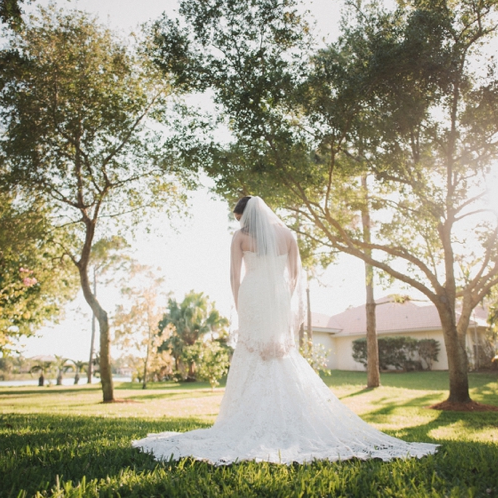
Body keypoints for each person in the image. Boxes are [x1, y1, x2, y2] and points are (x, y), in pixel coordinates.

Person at [132, 196, 438, 464]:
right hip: (278, 299)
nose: (240, 223)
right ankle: (284, 418)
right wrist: (283, 304)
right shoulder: (288, 235)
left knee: (253, 353)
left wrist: (241, 307)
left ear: (246, 216)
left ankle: (249, 419)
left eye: (240, 218)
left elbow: (233, 277)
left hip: (252, 296)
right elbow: (294, 278)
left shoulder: (239, 237)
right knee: (279, 354)